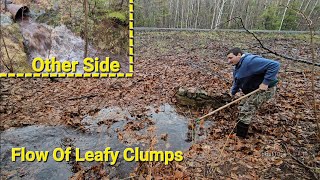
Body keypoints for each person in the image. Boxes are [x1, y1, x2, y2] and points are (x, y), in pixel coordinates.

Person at [226, 47, 280, 138]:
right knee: (242, 106)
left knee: (246, 110)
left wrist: (265, 83)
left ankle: (240, 137)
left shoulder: (250, 61)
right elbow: (237, 81)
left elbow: (275, 65)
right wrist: (232, 92)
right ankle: (240, 128)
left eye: (230, 58)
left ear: (239, 55)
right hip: (252, 90)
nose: (228, 61)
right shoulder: (238, 66)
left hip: (264, 90)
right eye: (228, 58)